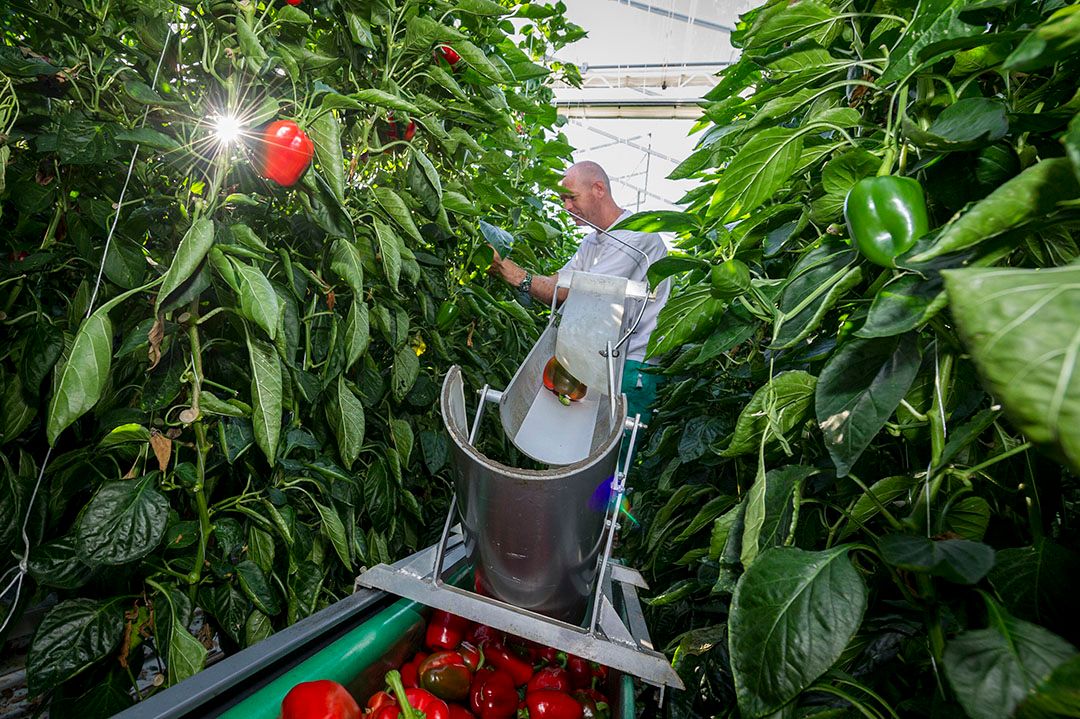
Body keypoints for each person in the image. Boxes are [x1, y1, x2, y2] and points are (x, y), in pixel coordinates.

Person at [488, 160, 670, 425]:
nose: (567, 207)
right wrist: (513, 270)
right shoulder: (592, 241)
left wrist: (514, 274)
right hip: (602, 363)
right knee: (588, 449)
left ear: (598, 189)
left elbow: (577, 293)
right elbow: (558, 283)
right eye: (563, 200)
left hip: (634, 366)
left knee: (615, 454)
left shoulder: (636, 236)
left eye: (571, 198)